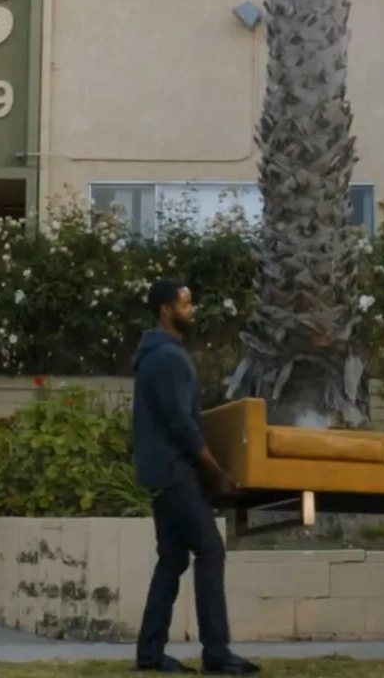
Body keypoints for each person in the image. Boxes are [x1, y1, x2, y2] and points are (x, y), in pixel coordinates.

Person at [131, 278, 259, 675]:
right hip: (174, 471)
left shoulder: (157, 354)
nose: (192, 310)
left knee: (172, 558)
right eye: (186, 304)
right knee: (210, 550)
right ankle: (216, 653)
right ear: (167, 310)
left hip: (162, 472)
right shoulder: (167, 358)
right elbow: (182, 425)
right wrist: (217, 471)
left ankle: (150, 654)